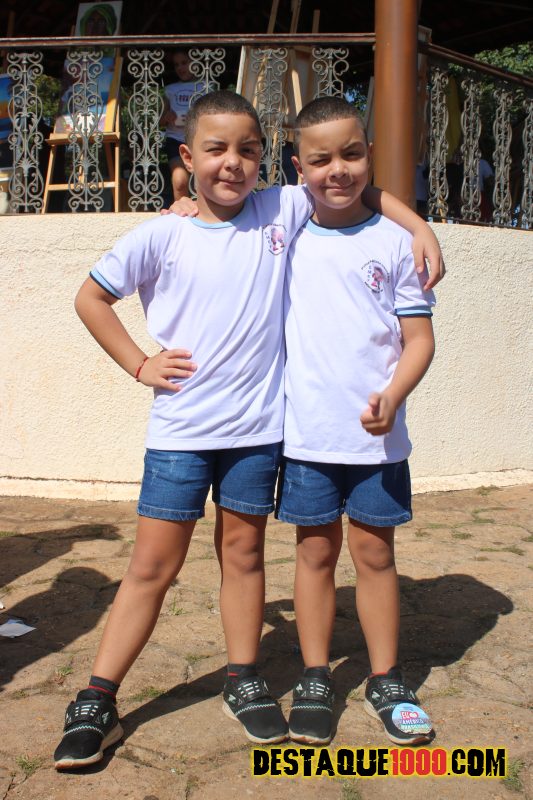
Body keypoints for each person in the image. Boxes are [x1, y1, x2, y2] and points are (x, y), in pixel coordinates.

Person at [53, 90, 444, 770]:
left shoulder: (280, 208)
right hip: (180, 434)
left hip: (259, 434)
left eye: (247, 150)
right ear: (188, 156)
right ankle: (96, 697)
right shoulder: (161, 233)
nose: (232, 163)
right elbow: (91, 297)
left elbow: (355, 183)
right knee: (152, 567)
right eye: (215, 150)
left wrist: (421, 227)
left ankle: (243, 676)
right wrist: (138, 363)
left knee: (243, 556)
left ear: (267, 160)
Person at [275, 97, 436, 747]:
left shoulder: (396, 243)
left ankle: (385, 679)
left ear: (369, 154)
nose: (336, 170)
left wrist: (393, 395)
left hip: (378, 442)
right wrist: (180, 204)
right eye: (319, 160)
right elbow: (218, 206)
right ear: (298, 168)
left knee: (374, 555)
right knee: (314, 554)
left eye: (350, 154)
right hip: (306, 437)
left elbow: (419, 340)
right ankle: (315, 677)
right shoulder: (282, 233)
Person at [160, 50, 199, 201]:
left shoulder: (207, 86)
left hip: (198, 139)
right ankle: (181, 213)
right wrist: (167, 117)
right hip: (175, 140)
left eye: (184, 63)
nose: (180, 68)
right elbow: (160, 121)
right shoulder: (170, 89)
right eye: (176, 65)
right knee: (179, 181)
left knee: (202, 183)